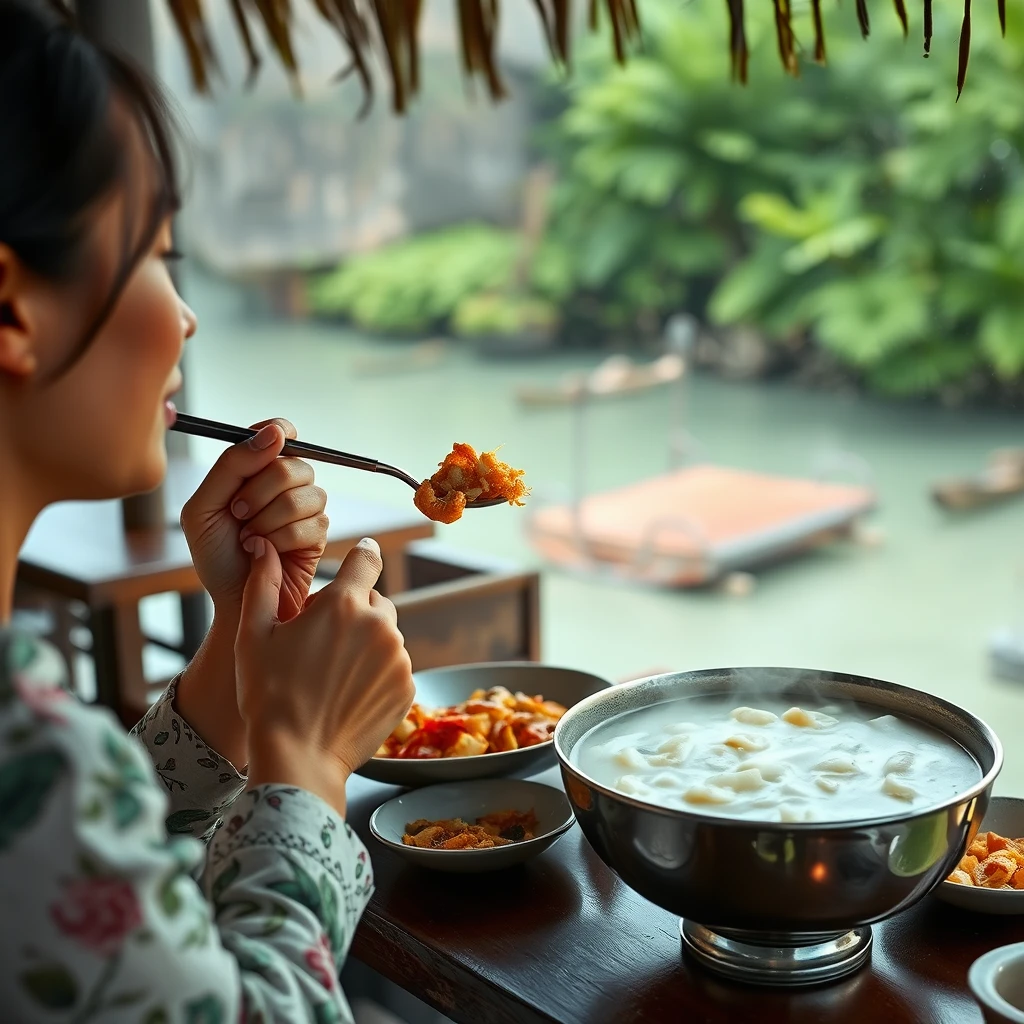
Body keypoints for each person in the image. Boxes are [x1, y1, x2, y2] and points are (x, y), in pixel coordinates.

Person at [0, 2, 415, 1020]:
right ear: (11, 310)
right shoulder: (28, 747)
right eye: (155, 256)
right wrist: (309, 761)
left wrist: (238, 655)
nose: (183, 318)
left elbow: (84, 908)